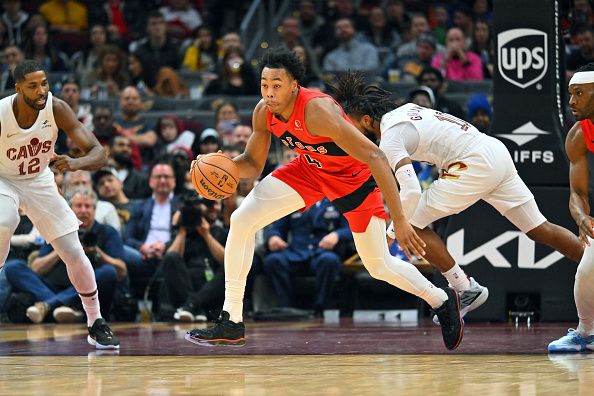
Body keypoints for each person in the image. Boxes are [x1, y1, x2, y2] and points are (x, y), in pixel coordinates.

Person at [185, 47, 463, 350]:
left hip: (353, 182)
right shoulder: (263, 112)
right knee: (242, 220)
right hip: (309, 170)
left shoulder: (317, 111)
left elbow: (376, 156)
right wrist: (217, 167)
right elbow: (252, 164)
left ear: (294, 85)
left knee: (378, 265)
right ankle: (232, 320)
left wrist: (399, 219)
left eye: (277, 85)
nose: (269, 93)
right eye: (265, 85)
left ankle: (441, 299)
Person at [333, 72, 583, 323]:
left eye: (351, 126)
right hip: (493, 151)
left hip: (473, 164)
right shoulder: (406, 110)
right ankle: (589, 260)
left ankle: (465, 289)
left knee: (411, 226)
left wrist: (391, 233)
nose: (349, 133)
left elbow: (411, 192)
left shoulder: (390, 139)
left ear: (366, 121)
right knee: (540, 229)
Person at [0, 60, 118, 348]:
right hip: (4, 178)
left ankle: (95, 322)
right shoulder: (2, 114)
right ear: (18, 88)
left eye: (44, 84)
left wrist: (74, 162)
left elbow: (99, 153)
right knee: (4, 221)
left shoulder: (57, 108)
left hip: (39, 179)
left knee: (72, 250)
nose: (41, 91)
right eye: (32, 86)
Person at [548, 63, 594, 352]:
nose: (571, 101)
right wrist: (581, 217)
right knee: (587, 270)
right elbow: (577, 192)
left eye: (579, 93)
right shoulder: (578, 135)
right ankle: (586, 333)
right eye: (570, 94)